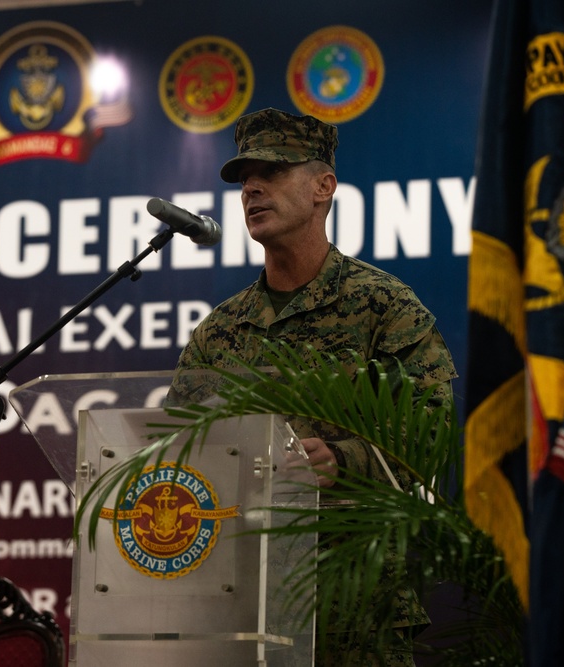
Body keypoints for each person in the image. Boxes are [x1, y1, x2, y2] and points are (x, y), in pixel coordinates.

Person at [170, 108, 457, 666]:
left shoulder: (383, 307)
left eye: (272, 172)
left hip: (354, 603)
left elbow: (433, 435)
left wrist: (344, 461)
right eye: (245, 179)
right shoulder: (219, 331)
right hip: (238, 603)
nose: (252, 188)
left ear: (323, 186)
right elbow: (175, 448)